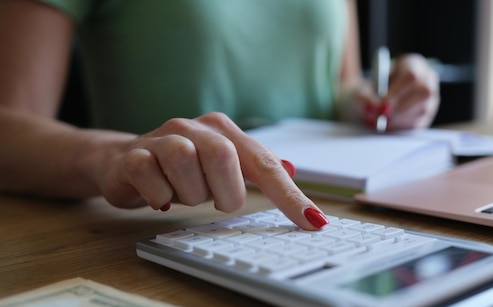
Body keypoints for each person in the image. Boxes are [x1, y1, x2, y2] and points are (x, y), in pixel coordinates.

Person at [0, 0, 440, 230]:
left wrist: (380, 99)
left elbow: (339, 83)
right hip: (177, 220)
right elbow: (9, 127)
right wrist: (113, 156)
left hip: (336, 205)